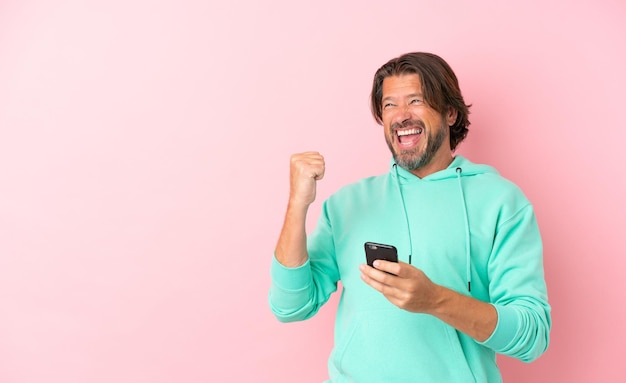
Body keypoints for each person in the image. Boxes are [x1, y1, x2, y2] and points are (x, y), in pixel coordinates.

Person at [268, 52, 551, 382]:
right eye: (389, 105)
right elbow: (290, 306)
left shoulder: (501, 202)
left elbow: (532, 337)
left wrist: (435, 300)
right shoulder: (347, 204)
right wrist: (297, 205)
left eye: (415, 100)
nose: (401, 116)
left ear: (450, 112)